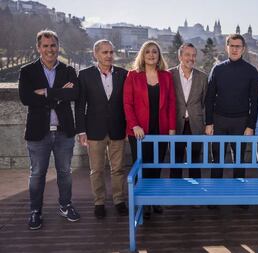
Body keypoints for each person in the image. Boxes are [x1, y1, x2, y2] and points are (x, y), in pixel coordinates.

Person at [18, 30, 80, 230]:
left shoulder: (68, 70)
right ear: (38, 48)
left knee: (65, 172)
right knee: (37, 174)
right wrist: (59, 94)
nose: (49, 49)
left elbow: (74, 94)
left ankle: (65, 205)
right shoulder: (27, 71)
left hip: (64, 131)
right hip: (38, 132)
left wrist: (45, 93)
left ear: (58, 46)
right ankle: (35, 210)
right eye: (45, 46)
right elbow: (26, 98)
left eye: (53, 45)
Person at [75, 39, 128, 219]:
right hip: (94, 130)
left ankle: (119, 200)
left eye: (111, 52)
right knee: (96, 169)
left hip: (118, 129)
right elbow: (80, 105)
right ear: (95, 54)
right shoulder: (84, 75)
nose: (109, 55)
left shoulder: (123, 74)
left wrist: (128, 127)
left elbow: (127, 104)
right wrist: (81, 131)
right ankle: (99, 202)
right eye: (105, 52)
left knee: (118, 169)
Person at [123, 40, 176, 219]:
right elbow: (127, 104)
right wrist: (134, 125)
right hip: (139, 132)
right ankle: (142, 201)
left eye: (154, 52)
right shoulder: (133, 75)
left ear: (159, 55)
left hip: (160, 129)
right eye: (148, 52)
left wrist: (171, 128)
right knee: (142, 167)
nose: (151, 55)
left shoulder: (166, 76)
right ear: (142, 55)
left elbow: (171, 103)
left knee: (156, 166)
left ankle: (154, 199)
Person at [205, 34, 258, 179]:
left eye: (238, 46)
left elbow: (255, 102)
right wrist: (209, 122)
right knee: (217, 160)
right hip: (219, 121)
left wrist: (250, 126)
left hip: (241, 122)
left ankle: (239, 195)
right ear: (226, 47)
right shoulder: (217, 69)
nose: (235, 49)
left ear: (243, 49)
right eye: (232, 46)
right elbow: (209, 98)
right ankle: (215, 196)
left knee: (239, 161)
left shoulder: (251, 71)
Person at [169, 43, 208, 179]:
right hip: (175, 125)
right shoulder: (169, 75)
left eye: (193, 55)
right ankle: (175, 193)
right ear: (180, 56)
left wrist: (205, 124)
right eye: (187, 55)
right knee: (176, 161)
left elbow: (205, 103)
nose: (191, 58)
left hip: (196, 125)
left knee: (195, 162)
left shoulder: (202, 77)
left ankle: (195, 195)